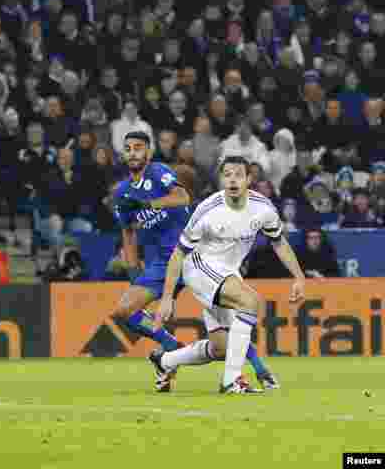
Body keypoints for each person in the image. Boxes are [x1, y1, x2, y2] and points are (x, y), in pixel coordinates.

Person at [152, 156, 306, 394]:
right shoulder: (208, 210)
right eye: (227, 175)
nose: (233, 180)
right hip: (199, 268)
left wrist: (299, 277)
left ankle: (164, 362)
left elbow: (279, 242)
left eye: (238, 175)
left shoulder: (263, 209)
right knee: (250, 301)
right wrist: (167, 298)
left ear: (249, 179)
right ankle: (231, 381)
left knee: (220, 349)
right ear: (221, 179)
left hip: (228, 274)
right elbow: (178, 254)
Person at [109, 130, 193, 391]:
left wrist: (149, 204)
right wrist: (133, 271)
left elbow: (183, 197)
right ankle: (170, 348)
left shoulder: (157, 171)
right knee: (124, 310)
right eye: (128, 148)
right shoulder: (122, 191)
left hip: (190, 255)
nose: (132, 152)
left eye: (138, 147)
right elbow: (128, 232)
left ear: (148, 152)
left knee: (226, 313)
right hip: (160, 264)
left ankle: (241, 373)